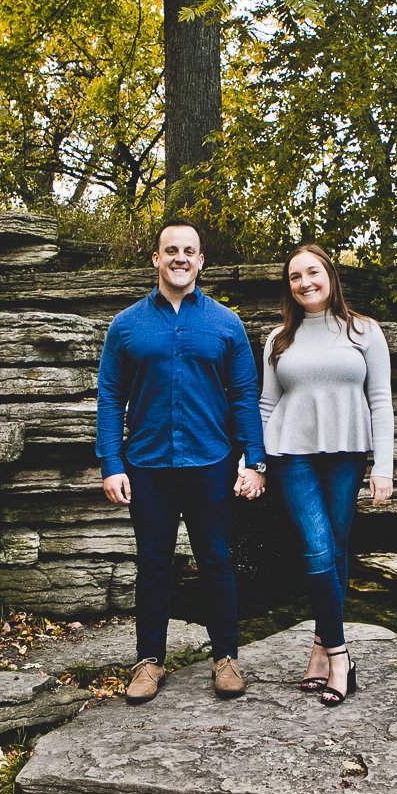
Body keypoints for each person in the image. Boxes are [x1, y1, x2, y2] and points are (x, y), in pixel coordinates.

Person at [96, 218, 267, 704]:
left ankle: (225, 658)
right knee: (153, 564)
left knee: (216, 560)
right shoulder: (127, 325)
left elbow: (244, 395)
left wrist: (253, 460)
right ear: (155, 258)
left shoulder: (225, 323)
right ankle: (149, 662)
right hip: (147, 466)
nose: (179, 258)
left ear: (200, 261)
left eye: (189, 251)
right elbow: (110, 397)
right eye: (170, 250)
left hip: (211, 463)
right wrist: (112, 463)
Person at [260, 244, 393, 706]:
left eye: (312, 272)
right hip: (291, 456)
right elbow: (265, 405)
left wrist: (384, 465)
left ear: (330, 276)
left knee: (336, 549)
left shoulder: (365, 331)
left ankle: (319, 648)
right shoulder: (278, 338)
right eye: (295, 277)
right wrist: (254, 461)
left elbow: (380, 399)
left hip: (348, 453)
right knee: (317, 549)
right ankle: (340, 656)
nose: (305, 283)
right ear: (289, 288)